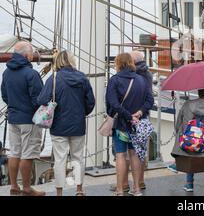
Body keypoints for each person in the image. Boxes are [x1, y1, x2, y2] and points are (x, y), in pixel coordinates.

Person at [37, 50, 95, 196]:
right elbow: (90, 102)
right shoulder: (82, 78)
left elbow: (42, 100)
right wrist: (82, 113)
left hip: (58, 125)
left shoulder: (54, 78)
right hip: (78, 124)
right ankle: (79, 189)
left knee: (60, 159)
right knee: (77, 158)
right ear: (71, 60)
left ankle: (59, 192)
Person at [1, 42, 45, 196]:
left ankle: (14, 186)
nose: (32, 56)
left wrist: (15, 106)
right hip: (28, 119)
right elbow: (39, 99)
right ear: (26, 55)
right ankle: (26, 188)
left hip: (13, 118)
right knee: (27, 154)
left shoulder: (6, 73)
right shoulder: (31, 74)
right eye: (32, 53)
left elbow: (5, 96)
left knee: (14, 152)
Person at [106, 53, 153, 196]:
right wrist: (139, 113)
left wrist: (128, 116)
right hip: (137, 125)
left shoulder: (114, 80)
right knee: (135, 154)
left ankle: (120, 190)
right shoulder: (141, 80)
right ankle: (137, 189)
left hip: (121, 124)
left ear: (118, 64)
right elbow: (150, 101)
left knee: (120, 155)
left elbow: (112, 104)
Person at [170, 88, 204, 192]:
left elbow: (178, 124)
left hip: (186, 147)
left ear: (198, 92)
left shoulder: (187, 105)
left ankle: (189, 184)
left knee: (190, 142)